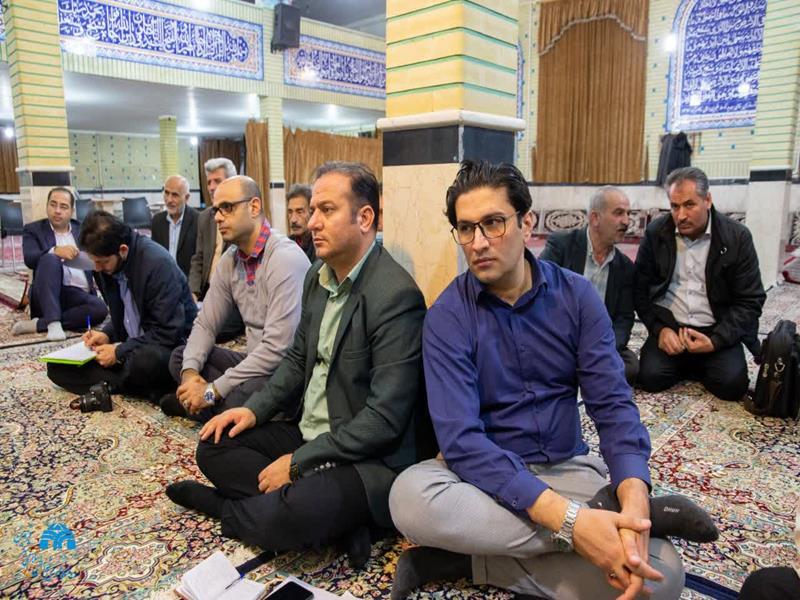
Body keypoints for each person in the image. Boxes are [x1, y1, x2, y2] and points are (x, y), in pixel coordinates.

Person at [388, 161, 689, 600]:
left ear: (526, 223)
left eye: (493, 223)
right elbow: (462, 441)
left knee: (663, 578)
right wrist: (574, 522)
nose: (479, 242)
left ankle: (471, 562)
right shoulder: (448, 316)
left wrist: (635, 497)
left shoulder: (577, 297)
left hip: (566, 469)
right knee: (408, 498)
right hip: (485, 478)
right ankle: (592, 523)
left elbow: (613, 406)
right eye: (466, 229)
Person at [165, 162, 431, 566]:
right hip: (310, 432)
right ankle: (337, 521)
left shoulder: (395, 296)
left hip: (363, 457)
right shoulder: (319, 276)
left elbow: (383, 421)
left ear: (365, 218)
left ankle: (226, 508)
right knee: (214, 445)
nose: (312, 222)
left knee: (286, 517)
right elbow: (295, 359)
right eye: (313, 210)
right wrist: (253, 411)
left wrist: (297, 464)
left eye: (327, 210)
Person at [160, 176, 309, 420]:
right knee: (181, 357)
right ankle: (205, 404)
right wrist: (190, 375)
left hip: (285, 372)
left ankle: (201, 406)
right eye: (216, 210)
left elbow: (277, 351)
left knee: (241, 397)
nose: (218, 217)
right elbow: (206, 324)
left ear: (254, 207)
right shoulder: (230, 260)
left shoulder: (284, 258)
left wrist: (212, 391)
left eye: (227, 208)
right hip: (254, 363)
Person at [634, 167, 766, 401]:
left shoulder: (737, 237)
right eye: (674, 206)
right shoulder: (657, 233)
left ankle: (699, 364)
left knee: (732, 386)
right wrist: (659, 329)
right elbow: (639, 289)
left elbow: (750, 300)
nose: (681, 216)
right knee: (650, 378)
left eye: (689, 205)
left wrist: (716, 341)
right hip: (672, 328)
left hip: (715, 330)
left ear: (708, 200)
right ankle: (691, 366)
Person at [47, 211, 197, 400]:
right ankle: (131, 384)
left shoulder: (157, 264)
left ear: (123, 250)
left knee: (146, 362)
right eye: (94, 262)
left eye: (102, 262)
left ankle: (123, 381)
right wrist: (107, 335)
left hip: (169, 347)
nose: (98, 268)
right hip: (134, 346)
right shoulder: (108, 265)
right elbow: (127, 313)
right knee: (56, 368)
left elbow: (168, 333)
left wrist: (119, 352)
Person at [540, 186, 638, 383]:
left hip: (598, 343)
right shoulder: (562, 245)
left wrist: (605, 348)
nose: (626, 221)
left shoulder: (625, 267)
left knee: (631, 369)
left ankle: (578, 372)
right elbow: (539, 292)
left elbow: (624, 318)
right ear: (594, 218)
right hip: (561, 337)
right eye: (619, 213)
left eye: (628, 214)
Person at [13, 188, 107, 341]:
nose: (57, 211)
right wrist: (55, 250)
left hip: (78, 296)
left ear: (72, 211)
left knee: (100, 309)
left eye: (63, 207)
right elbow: (30, 259)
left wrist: (113, 302)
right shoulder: (33, 230)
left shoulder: (83, 230)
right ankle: (53, 322)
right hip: (46, 294)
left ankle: (40, 324)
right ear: (47, 206)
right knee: (50, 258)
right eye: (53, 205)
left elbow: (98, 265)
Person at [189, 157, 244, 342]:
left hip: (232, 296)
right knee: (180, 319)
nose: (212, 187)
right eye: (209, 182)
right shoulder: (205, 218)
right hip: (207, 291)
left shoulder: (241, 217)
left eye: (217, 181)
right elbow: (198, 258)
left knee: (210, 330)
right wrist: (192, 293)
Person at [151, 174, 198, 277]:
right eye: (166, 193)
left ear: (186, 198)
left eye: (175, 195)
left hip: (187, 280)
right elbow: (154, 257)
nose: (169, 200)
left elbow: (199, 261)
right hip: (163, 279)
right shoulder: (157, 221)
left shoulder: (198, 220)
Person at [286, 183, 316, 262]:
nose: (293, 220)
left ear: (311, 212)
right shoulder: (286, 245)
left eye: (299, 212)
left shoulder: (319, 245)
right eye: (290, 212)